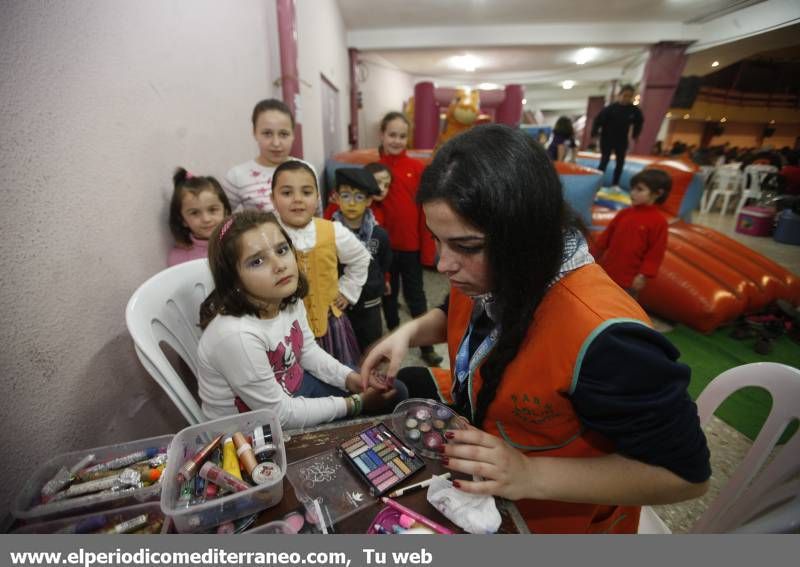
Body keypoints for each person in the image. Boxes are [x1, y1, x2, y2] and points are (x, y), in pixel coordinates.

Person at [360, 125, 710, 534]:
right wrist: (406, 334)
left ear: (525, 235)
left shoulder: (608, 338)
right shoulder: (491, 276)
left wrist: (530, 473)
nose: (443, 265)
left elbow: (687, 476)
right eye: (437, 241)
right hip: (490, 488)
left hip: (561, 522)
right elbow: (452, 311)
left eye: (466, 247)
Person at [196, 211, 397, 428]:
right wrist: (355, 404)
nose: (279, 265)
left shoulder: (284, 296)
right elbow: (279, 415)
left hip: (292, 387)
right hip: (249, 433)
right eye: (257, 261)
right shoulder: (236, 336)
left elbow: (307, 350)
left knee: (395, 392)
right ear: (233, 278)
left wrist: (350, 379)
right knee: (368, 424)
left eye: (282, 250)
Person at [271, 160, 370, 368]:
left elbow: (361, 258)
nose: (297, 200)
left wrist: (347, 291)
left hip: (330, 325)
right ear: (273, 199)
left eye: (306, 192)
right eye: (287, 193)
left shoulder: (333, 230)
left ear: (317, 198)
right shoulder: (268, 234)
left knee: (339, 373)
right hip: (285, 328)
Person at [377, 111, 442, 366]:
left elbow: (424, 213)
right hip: (384, 251)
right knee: (388, 297)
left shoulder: (416, 169)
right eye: (392, 135)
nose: (396, 140)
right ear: (382, 135)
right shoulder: (375, 170)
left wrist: (428, 253)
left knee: (417, 297)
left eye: (402, 136)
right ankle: (394, 340)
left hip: (411, 249)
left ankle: (426, 346)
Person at [330, 168, 393, 352]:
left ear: (369, 201)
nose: (351, 203)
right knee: (342, 350)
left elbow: (384, 263)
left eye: (358, 197)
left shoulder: (379, 235)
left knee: (371, 349)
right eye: (346, 196)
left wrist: (377, 284)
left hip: (369, 306)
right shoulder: (328, 233)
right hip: (340, 304)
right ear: (337, 198)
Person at [223, 98, 315, 213]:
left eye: (283, 134)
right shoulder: (236, 176)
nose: (276, 143)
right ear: (254, 132)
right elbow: (223, 222)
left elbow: (317, 218)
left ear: (293, 134)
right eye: (267, 133)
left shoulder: (308, 170)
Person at [592, 169, 670, 298]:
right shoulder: (624, 214)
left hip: (629, 281)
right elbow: (604, 240)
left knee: (621, 310)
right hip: (607, 272)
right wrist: (592, 256)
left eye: (639, 190)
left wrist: (643, 275)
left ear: (658, 193)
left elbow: (655, 253)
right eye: (632, 188)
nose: (632, 193)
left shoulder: (659, 221)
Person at [168, 167, 232, 267]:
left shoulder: (240, 241)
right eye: (194, 213)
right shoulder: (179, 258)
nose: (206, 219)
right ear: (182, 220)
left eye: (212, 210)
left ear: (226, 211)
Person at [591, 85, 644, 187]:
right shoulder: (610, 109)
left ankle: (615, 184)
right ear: (619, 95)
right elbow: (598, 121)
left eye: (629, 96)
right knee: (604, 161)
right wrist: (595, 133)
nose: (626, 98)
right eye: (625, 95)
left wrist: (635, 135)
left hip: (621, 139)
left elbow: (639, 122)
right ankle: (596, 182)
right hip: (607, 138)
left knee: (620, 163)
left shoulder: (634, 110)